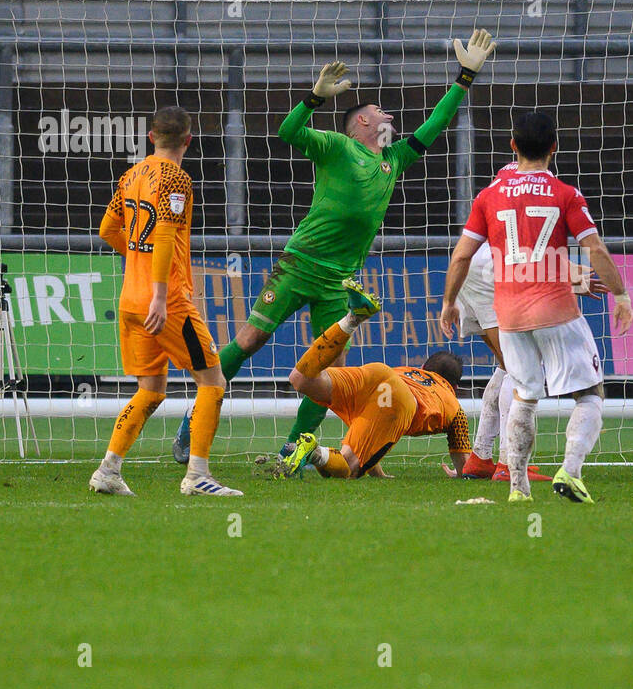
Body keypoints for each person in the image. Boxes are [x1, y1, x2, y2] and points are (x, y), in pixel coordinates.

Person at [170, 30, 497, 470]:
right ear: (361, 122)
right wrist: (314, 97)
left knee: (329, 375)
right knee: (250, 339)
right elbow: (288, 131)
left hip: (338, 280)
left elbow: (434, 126)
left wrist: (465, 77)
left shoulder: (393, 159)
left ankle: (295, 447)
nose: (389, 114)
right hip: (300, 262)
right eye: (380, 110)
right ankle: (196, 418)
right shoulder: (336, 146)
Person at [440, 111, 633, 503]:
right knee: (590, 393)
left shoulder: (488, 195)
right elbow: (594, 248)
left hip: (509, 313)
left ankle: (517, 488)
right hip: (555, 310)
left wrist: (448, 302)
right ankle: (572, 471)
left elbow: (461, 257)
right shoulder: (566, 193)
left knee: (525, 395)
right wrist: (621, 295)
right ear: (554, 148)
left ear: (513, 146)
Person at [91, 107, 240, 498]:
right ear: (189, 140)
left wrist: (136, 261)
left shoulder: (131, 175)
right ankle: (197, 476)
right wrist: (159, 293)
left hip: (130, 300)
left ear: (151, 136)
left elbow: (108, 229)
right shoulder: (176, 177)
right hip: (166, 301)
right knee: (213, 382)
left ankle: (109, 469)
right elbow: (165, 237)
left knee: (152, 390)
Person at [284, 280, 473, 480]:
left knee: (302, 379)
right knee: (350, 469)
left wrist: (379, 474)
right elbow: (465, 466)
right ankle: (314, 451)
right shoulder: (454, 407)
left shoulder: (409, 371)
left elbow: (373, 423)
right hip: (402, 399)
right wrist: (459, 473)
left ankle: (351, 319)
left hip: (380, 373)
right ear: (454, 387)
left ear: (423, 368)